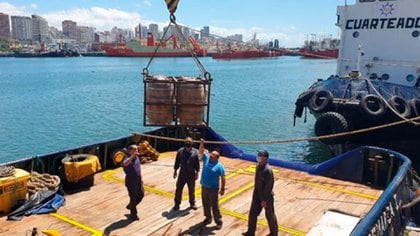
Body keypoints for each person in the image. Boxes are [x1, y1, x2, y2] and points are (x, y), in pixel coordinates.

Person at [243, 150, 278, 236]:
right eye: (258, 155)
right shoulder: (258, 166)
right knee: (252, 214)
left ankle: (274, 233)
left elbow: (269, 186)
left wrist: (264, 200)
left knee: (270, 215)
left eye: (260, 155)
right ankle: (250, 232)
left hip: (266, 197)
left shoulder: (268, 170)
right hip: (257, 194)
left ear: (265, 158)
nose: (258, 156)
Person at [199, 138, 226, 230]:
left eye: (213, 155)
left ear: (217, 157)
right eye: (211, 154)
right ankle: (208, 217)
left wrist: (222, 189)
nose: (210, 155)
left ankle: (218, 221)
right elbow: (201, 151)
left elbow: (223, 178)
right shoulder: (206, 159)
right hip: (204, 186)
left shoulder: (219, 166)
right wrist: (202, 143)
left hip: (213, 189)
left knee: (214, 205)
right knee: (205, 203)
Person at [173, 137, 200, 211]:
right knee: (178, 189)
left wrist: (197, 172)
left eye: (189, 145)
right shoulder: (180, 151)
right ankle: (177, 204)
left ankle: (192, 203)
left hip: (191, 174)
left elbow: (197, 164)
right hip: (182, 174)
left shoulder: (195, 152)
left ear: (192, 145)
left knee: (191, 190)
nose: (188, 147)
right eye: (187, 144)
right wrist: (175, 171)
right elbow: (177, 162)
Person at [121, 144, 144, 221]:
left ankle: (131, 206)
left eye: (137, 150)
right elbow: (124, 164)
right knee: (133, 197)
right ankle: (133, 214)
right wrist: (132, 157)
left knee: (141, 194)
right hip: (131, 181)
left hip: (138, 180)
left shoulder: (137, 157)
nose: (136, 151)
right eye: (134, 150)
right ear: (130, 151)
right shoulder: (127, 158)